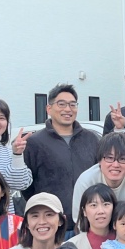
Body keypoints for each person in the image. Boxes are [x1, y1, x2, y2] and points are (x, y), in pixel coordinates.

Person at [23, 83, 99, 234]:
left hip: (88, 224)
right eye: (61, 104)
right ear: (49, 108)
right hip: (52, 226)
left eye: (72, 104)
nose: (68, 109)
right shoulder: (35, 142)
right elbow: (26, 186)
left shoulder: (91, 139)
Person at [72, 132, 125, 239]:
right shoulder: (86, 180)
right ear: (99, 160)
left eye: (122, 159)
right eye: (109, 158)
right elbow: (79, 220)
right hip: (93, 236)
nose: (115, 165)